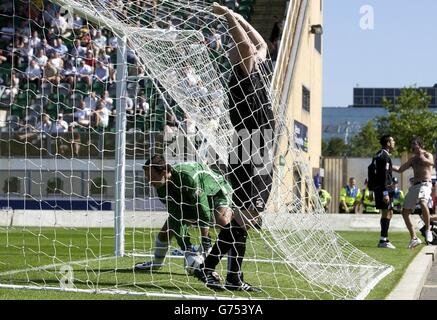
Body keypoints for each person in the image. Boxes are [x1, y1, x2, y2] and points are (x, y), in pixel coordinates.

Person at [193, 2, 272, 292]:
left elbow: (260, 43)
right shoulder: (242, 76)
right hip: (249, 147)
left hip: (260, 147)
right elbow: (248, 47)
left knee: (245, 218)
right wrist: (229, 18)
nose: (249, 50)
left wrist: (239, 17)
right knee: (245, 216)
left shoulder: (259, 70)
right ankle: (220, 272)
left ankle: (219, 272)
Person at [134, 155, 233, 271]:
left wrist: (205, 240)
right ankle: (156, 264)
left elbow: (203, 209)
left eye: (151, 177)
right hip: (192, 198)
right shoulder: (161, 189)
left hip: (218, 191)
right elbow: (176, 217)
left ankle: (232, 272)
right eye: (147, 178)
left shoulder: (187, 177)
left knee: (223, 222)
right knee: (166, 230)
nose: (150, 182)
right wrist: (186, 248)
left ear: (164, 171)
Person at [394, 136, 434, 248]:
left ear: (419, 145)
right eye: (411, 144)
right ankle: (414, 238)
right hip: (415, 186)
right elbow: (400, 169)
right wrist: (388, 166)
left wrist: (421, 156)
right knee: (405, 212)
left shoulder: (427, 155)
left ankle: (428, 229)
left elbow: (430, 163)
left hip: (425, 184)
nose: (412, 146)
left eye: (414, 144)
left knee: (422, 202)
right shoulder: (412, 159)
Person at [373, 135, 396, 249]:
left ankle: (385, 239)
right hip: (383, 189)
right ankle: (383, 241)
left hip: (382, 188)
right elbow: (383, 175)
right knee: (386, 212)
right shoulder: (384, 156)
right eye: (392, 140)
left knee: (389, 212)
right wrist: (385, 193)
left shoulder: (379, 154)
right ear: (387, 143)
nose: (394, 142)